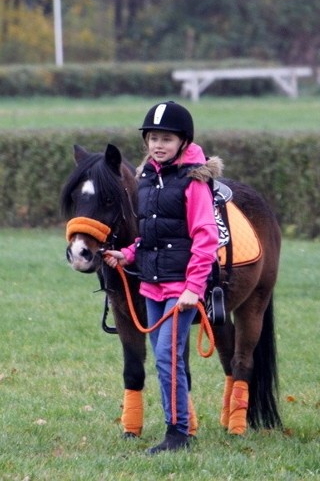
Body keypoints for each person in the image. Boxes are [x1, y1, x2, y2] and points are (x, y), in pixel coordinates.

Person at [104, 100, 219, 454]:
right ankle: (181, 426)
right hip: (152, 284)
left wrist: (193, 289)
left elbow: (205, 237)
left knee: (167, 357)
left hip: (180, 288)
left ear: (183, 141)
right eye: (153, 138)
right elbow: (149, 236)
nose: (158, 144)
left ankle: (178, 433)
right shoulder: (147, 179)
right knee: (163, 357)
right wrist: (127, 255)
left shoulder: (193, 181)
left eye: (166, 138)